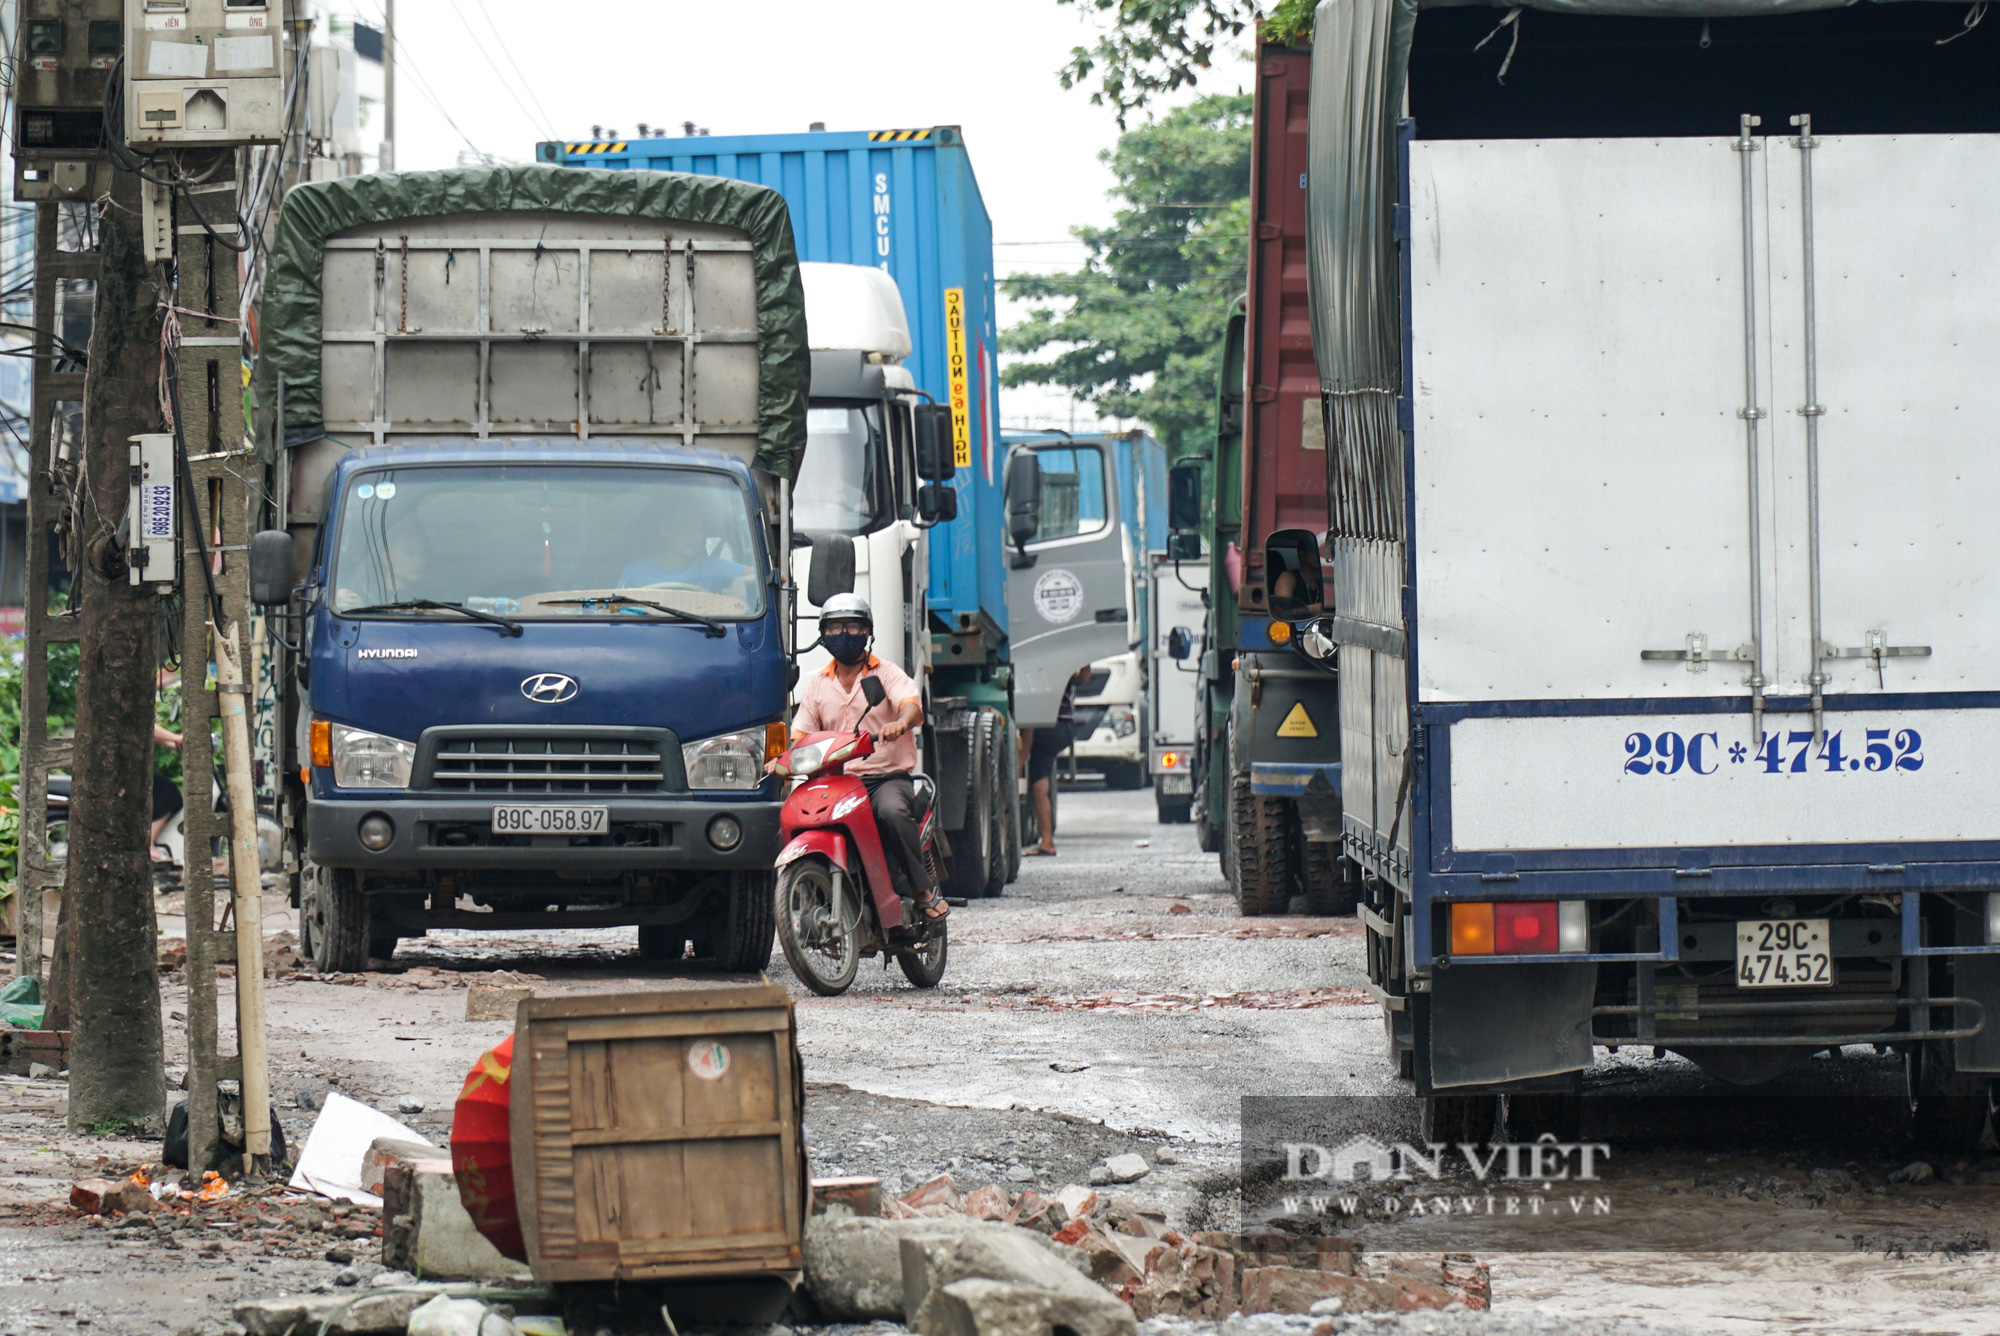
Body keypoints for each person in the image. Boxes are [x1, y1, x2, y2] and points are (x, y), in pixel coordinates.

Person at [770, 595, 946, 922]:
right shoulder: (817, 686)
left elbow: (910, 704)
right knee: (793, 817)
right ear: (823, 634)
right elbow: (800, 734)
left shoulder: (886, 673)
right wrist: (781, 759)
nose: (844, 634)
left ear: (867, 631)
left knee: (892, 814)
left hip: (884, 778)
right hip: (835, 782)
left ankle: (922, 890)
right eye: (835, 627)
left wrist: (901, 722)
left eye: (853, 626)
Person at [1022, 665, 1093, 857]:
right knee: (1039, 788)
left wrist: (1018, 763)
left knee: (1029, 723)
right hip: (1063, 728)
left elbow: (1082, 676)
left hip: (1053, 726)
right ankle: (1047, 842)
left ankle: (1047, 841)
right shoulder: (1060, 667)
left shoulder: (1038, 671)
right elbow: (1084, 676)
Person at [619, 517, 748, 594]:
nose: (695, 536)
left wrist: (740, 581)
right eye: (686, 528)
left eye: (699, 529)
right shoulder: (634, 571)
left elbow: (761, 575)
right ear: (665, 530)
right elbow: (613, 609)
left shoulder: (711, 566)